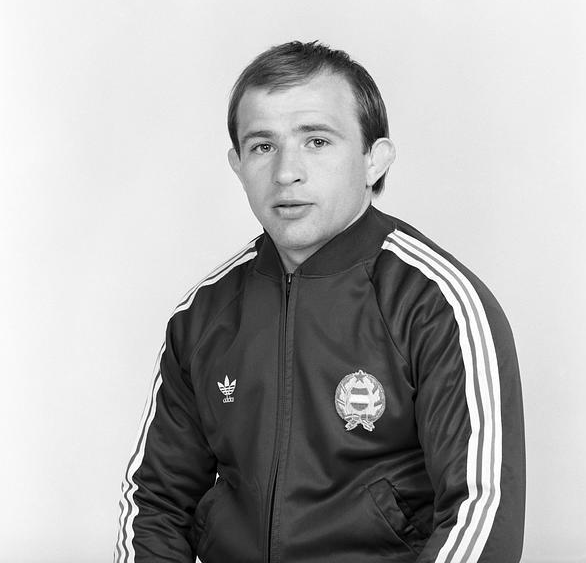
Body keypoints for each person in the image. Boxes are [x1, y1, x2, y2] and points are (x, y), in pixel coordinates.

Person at [114, 40, 525, 563]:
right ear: (237, 164)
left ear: (374, 159)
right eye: (262, 146)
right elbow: (156, 503)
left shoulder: (438, 305)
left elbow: (483, 509)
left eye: (317, 141)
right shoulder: (204, 316)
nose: (287, 171)